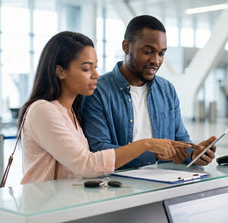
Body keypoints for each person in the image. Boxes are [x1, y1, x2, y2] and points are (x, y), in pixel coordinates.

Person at [19, 31, 193, 184]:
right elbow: (86, 164)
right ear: (60, 72)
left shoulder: (70, 112)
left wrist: (195, 152)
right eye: (86, 69)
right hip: (43, 209)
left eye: (95, 67)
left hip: (66, 204)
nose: (96, 75)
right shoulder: (43, 110)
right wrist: (146, 145)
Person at [81, 15, 217, 169]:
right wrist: (152, 154)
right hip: (120, 187)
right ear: (126, 47)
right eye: (147, 52)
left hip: (165, 183)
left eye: (161, 53)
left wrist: (195, 154)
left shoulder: (166, 90)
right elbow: (99, 150)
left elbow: (180, 141)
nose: (156, 61)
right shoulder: (98, 91)